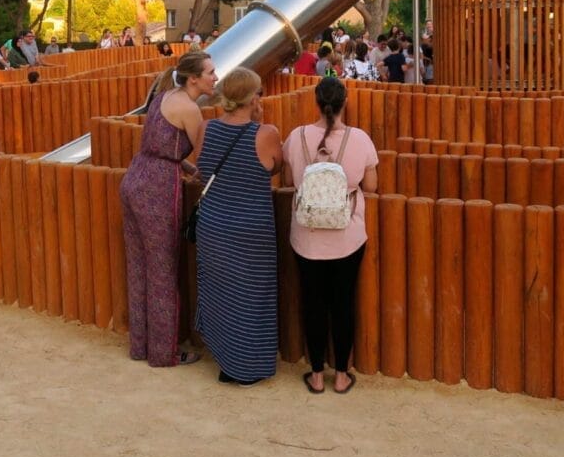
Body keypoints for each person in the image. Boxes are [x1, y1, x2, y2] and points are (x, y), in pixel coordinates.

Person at [120, 51, 217, 367]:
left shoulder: (164, 95)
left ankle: (141, 346)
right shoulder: (190, 110)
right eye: (211, 72)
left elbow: (162, 147)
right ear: (194, 79)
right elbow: (205, 161)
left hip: (135, 177)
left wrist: (185, 168)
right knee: (163, 270)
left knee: (139, 268)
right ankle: (164, 353)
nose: (215, 77)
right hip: (159, 188)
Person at [282, 76, 379, 394]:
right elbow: (372, 186)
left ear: (316, 102)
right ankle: (341, 375)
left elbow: (288, 179)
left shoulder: (296, 137)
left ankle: (316, 375)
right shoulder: (360, 139)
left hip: (307, 237)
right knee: (342, 303)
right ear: (344, 103)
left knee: (313, 303)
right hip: (347, 236)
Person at [193, 68, 282, 385]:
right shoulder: (266, 133)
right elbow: (275, 166)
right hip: (250, 231)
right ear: (252, 97)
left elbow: (203, 166)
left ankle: (227, 359)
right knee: (252, 297)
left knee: (221, 294)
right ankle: (247, 365)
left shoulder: (206, 128)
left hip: (214, 226)